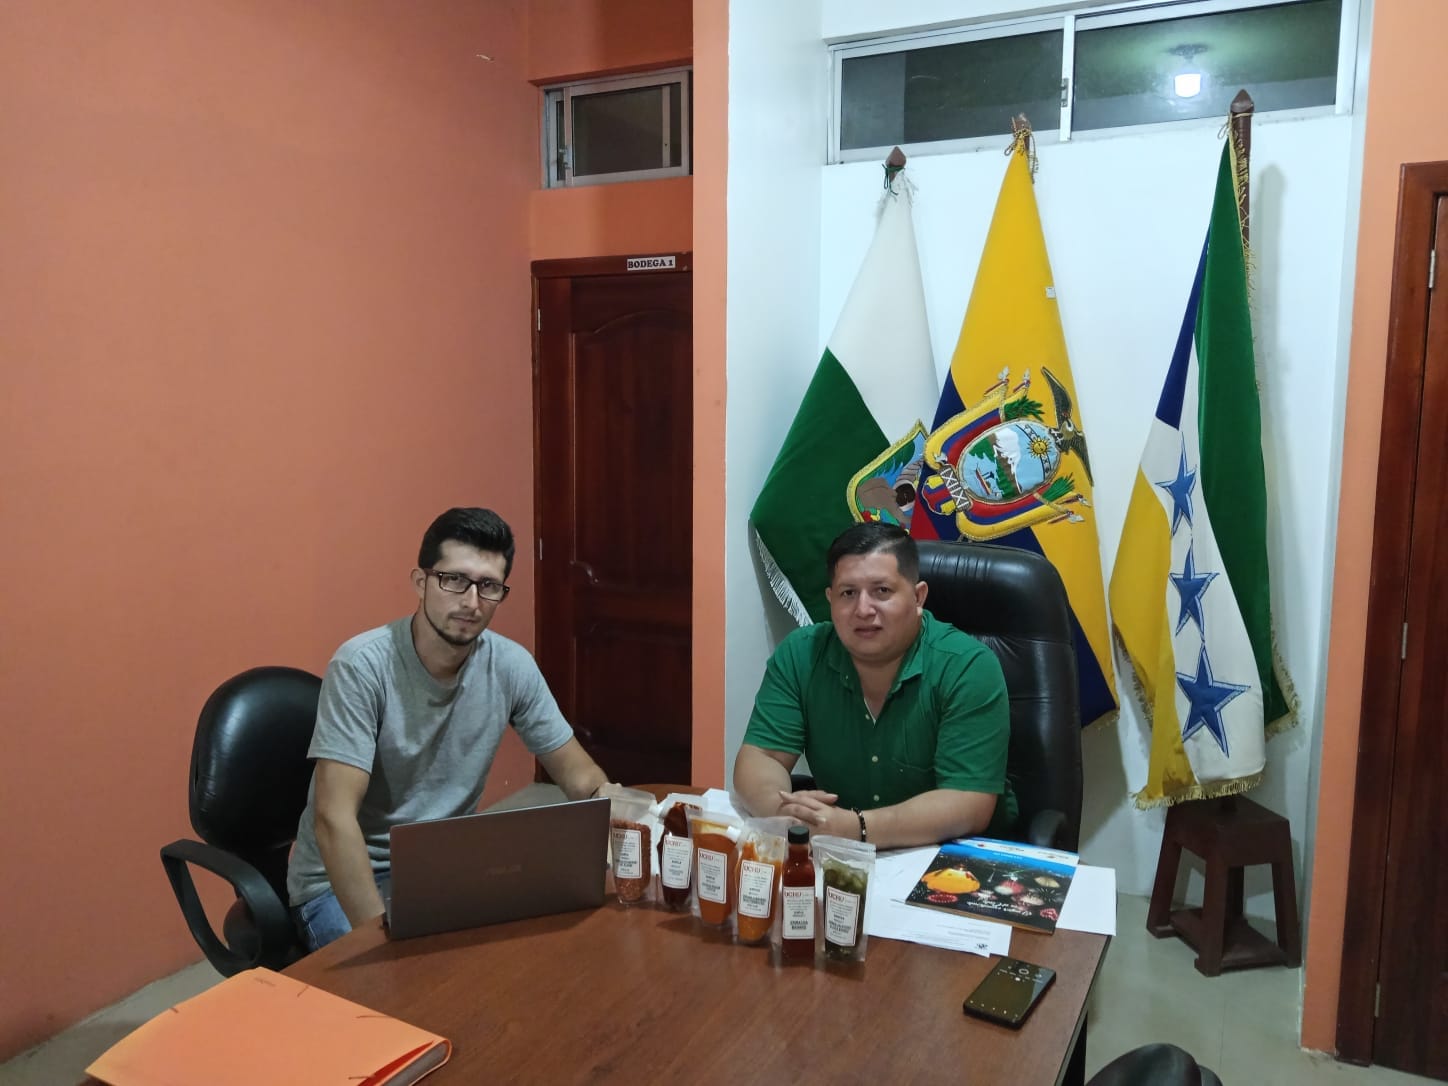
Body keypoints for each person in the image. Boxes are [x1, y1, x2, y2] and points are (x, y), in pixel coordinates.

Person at [286, 507, 614, 950]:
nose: (472, 602)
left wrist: (616, 817)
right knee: (397, 986)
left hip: (444, 866)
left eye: (489, 586)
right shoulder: (362, 667)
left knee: (531, 957)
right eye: (454, 580)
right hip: (341, 880)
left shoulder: (510, 665)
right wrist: (384, 940)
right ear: (421, 583)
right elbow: (333, 819)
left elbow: (579, 775)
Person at [732, 522, 1016, 849]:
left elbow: (968, 802)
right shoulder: (802, 655)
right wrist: (784, 814)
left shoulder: (967, 666)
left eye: (881, 591)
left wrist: (856, 828)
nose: (863, 610)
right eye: (848, 593)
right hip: (841, 854)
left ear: (918, 596)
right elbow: (762, 756)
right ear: (830, 599)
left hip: (955, 858)